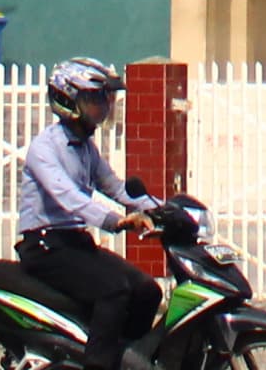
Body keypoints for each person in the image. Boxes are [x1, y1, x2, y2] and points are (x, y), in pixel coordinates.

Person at [17, 56, 160, 370]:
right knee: (114, 291)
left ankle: (125, 359)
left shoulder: (85, 147)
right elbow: (68, 197)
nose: (103, 106)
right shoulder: (45, 148)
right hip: (45, 247)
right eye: (93, 98)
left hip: (75, 244)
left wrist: (164, 210)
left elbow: (117, 188)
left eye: (104, 98)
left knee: (148, 291)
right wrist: (114, 220)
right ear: (68, 99)